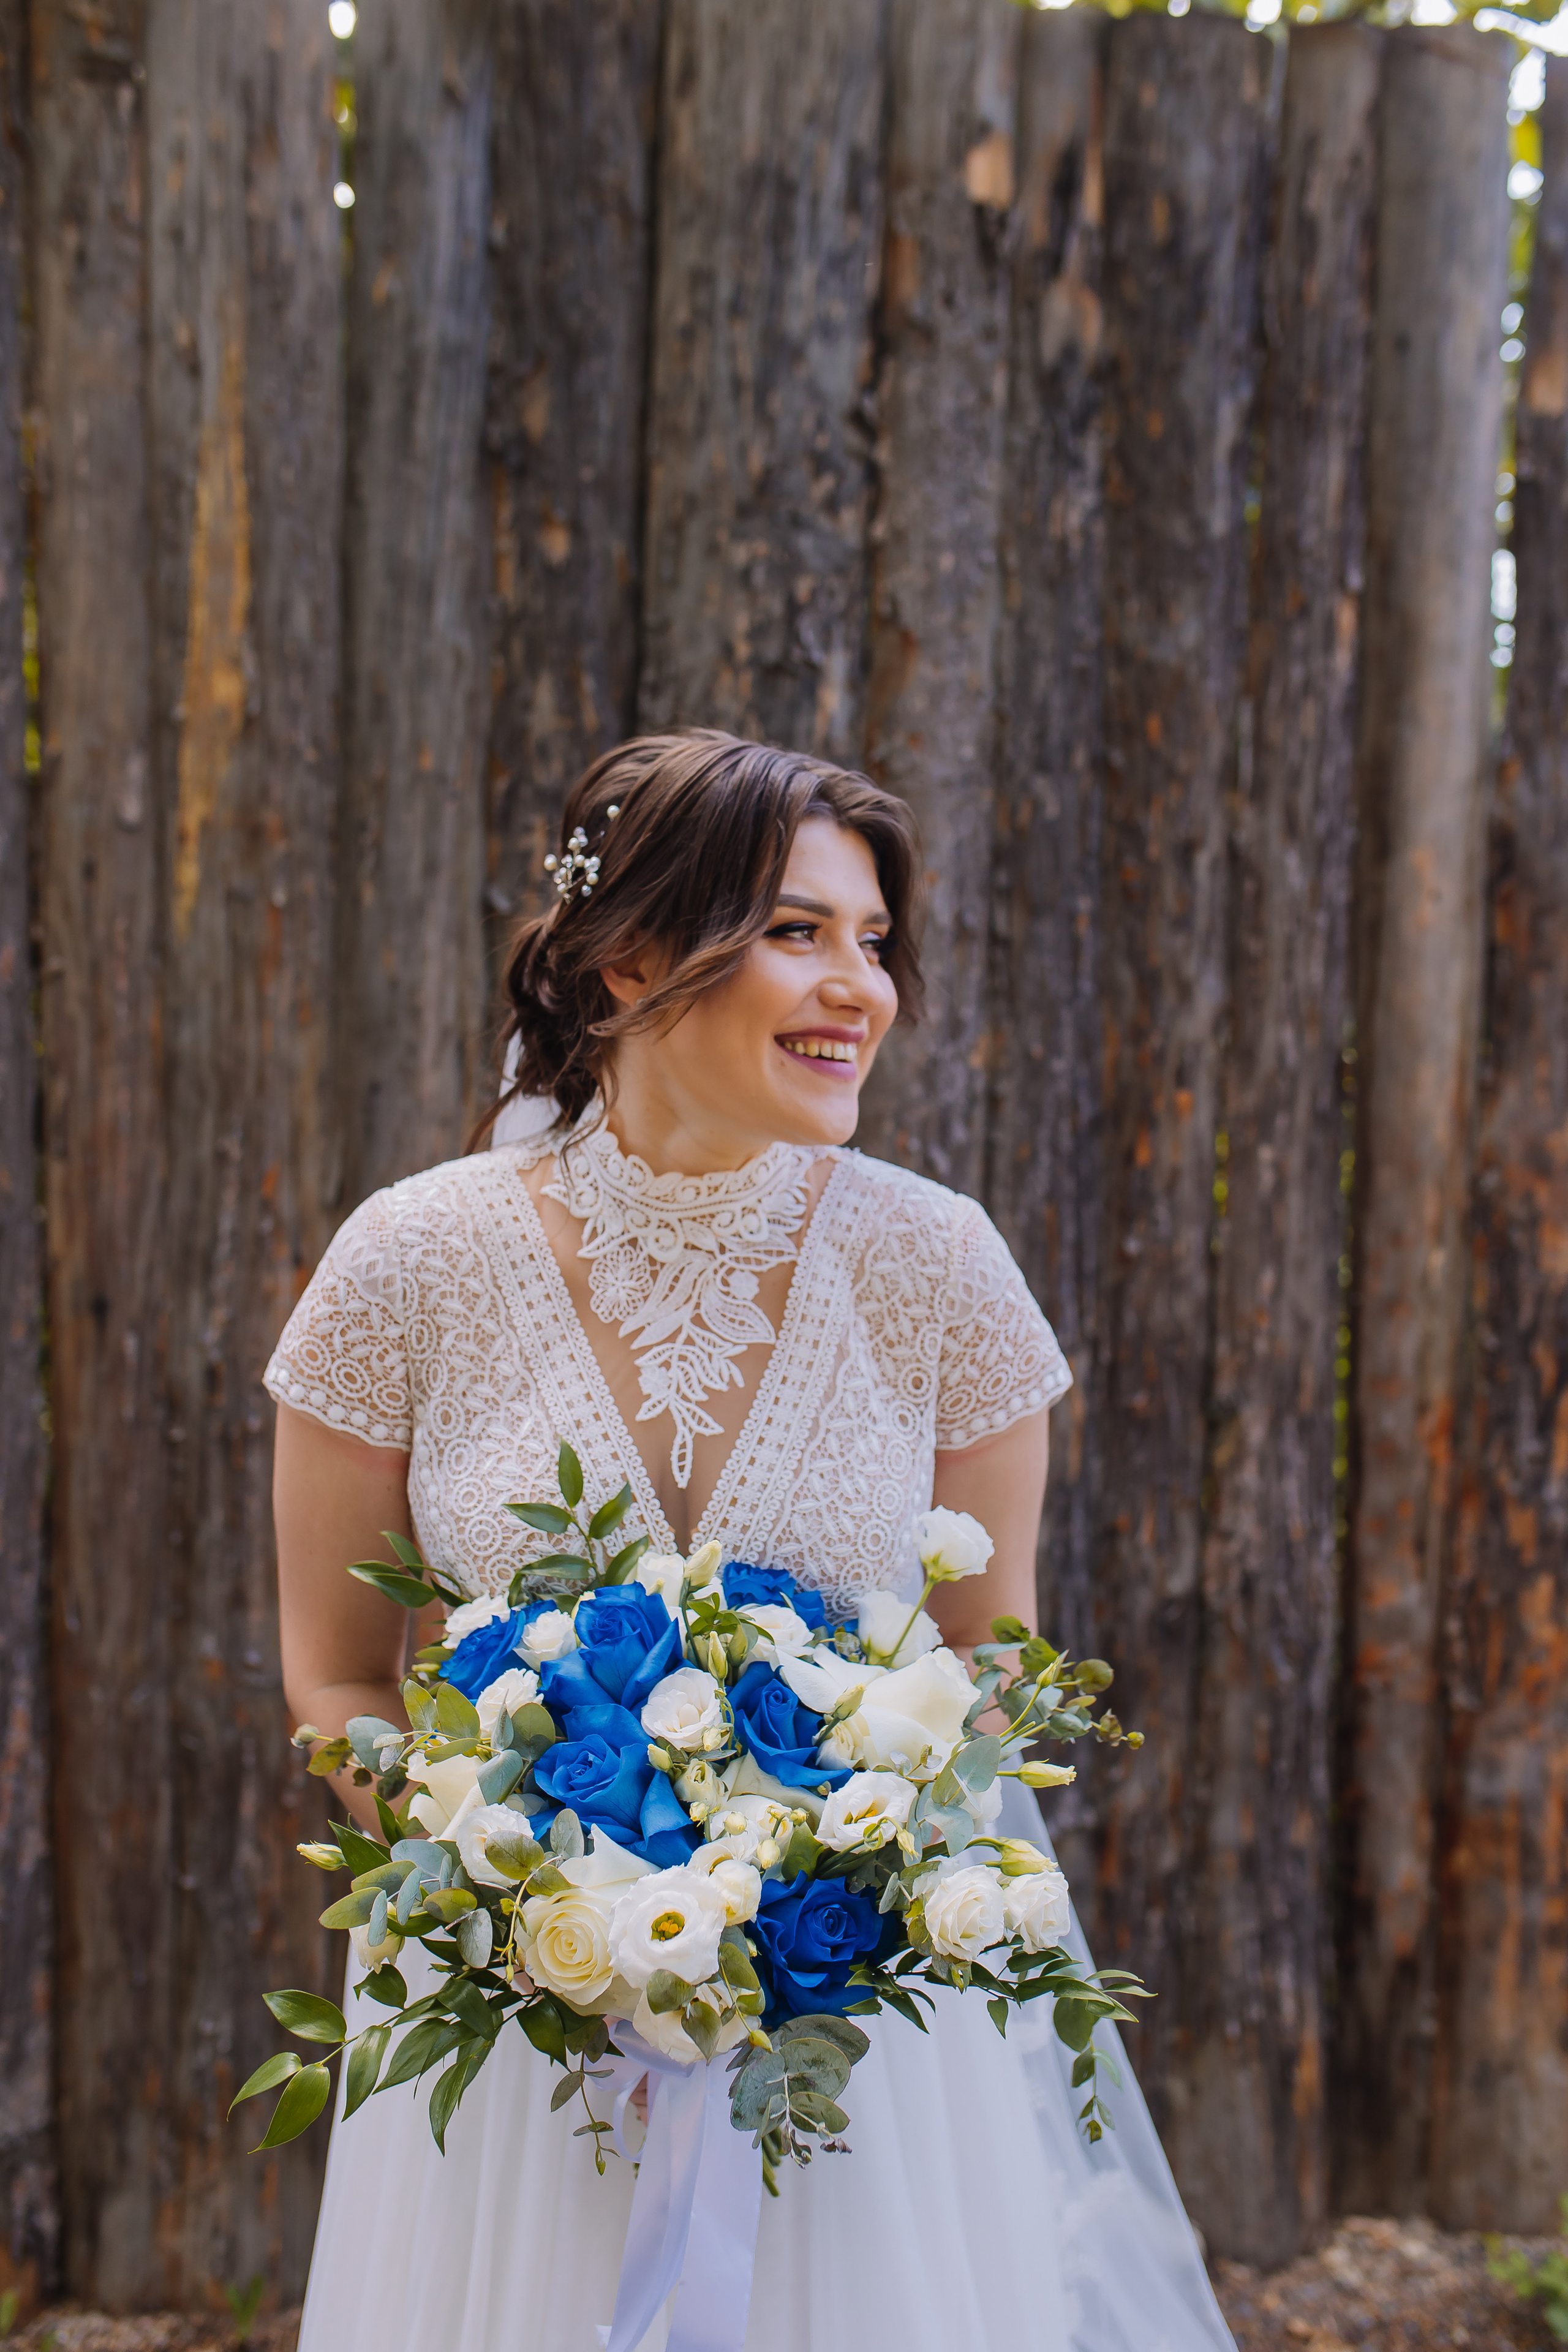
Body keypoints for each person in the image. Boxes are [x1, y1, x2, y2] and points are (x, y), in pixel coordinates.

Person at [268, 731, 1234, 2352]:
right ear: (630, 954)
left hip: (854, 2041)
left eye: (873, 941)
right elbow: (335, 1673)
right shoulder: (408, 1264)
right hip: (515, 2040)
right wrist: (530, 1903)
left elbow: (995, 1663)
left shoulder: (943, 1269)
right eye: (798, 931)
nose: (863, 987)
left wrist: (823, 1893)